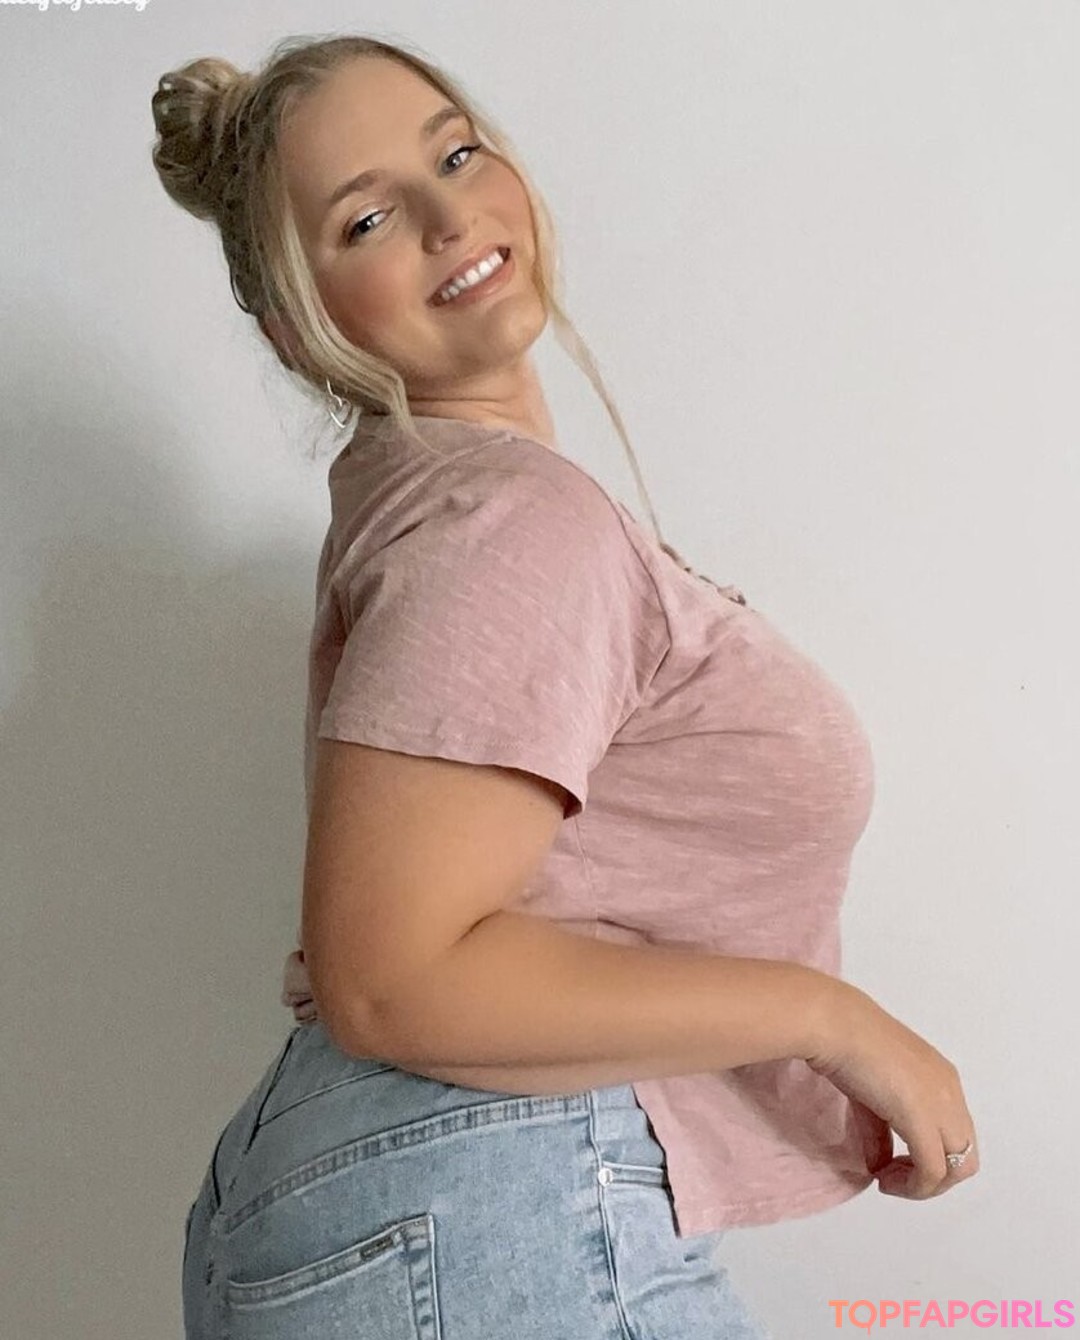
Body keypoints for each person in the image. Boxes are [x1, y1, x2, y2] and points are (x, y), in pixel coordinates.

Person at [151, 33, 979, 1340]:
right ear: (296, 328)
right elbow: (390, 977)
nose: (447, 218)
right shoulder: (506, 521)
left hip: (428, 1185)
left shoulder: (444, 504)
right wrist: (832, 1020)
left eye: (455, 154)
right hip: (489, 1179)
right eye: (366, 218)